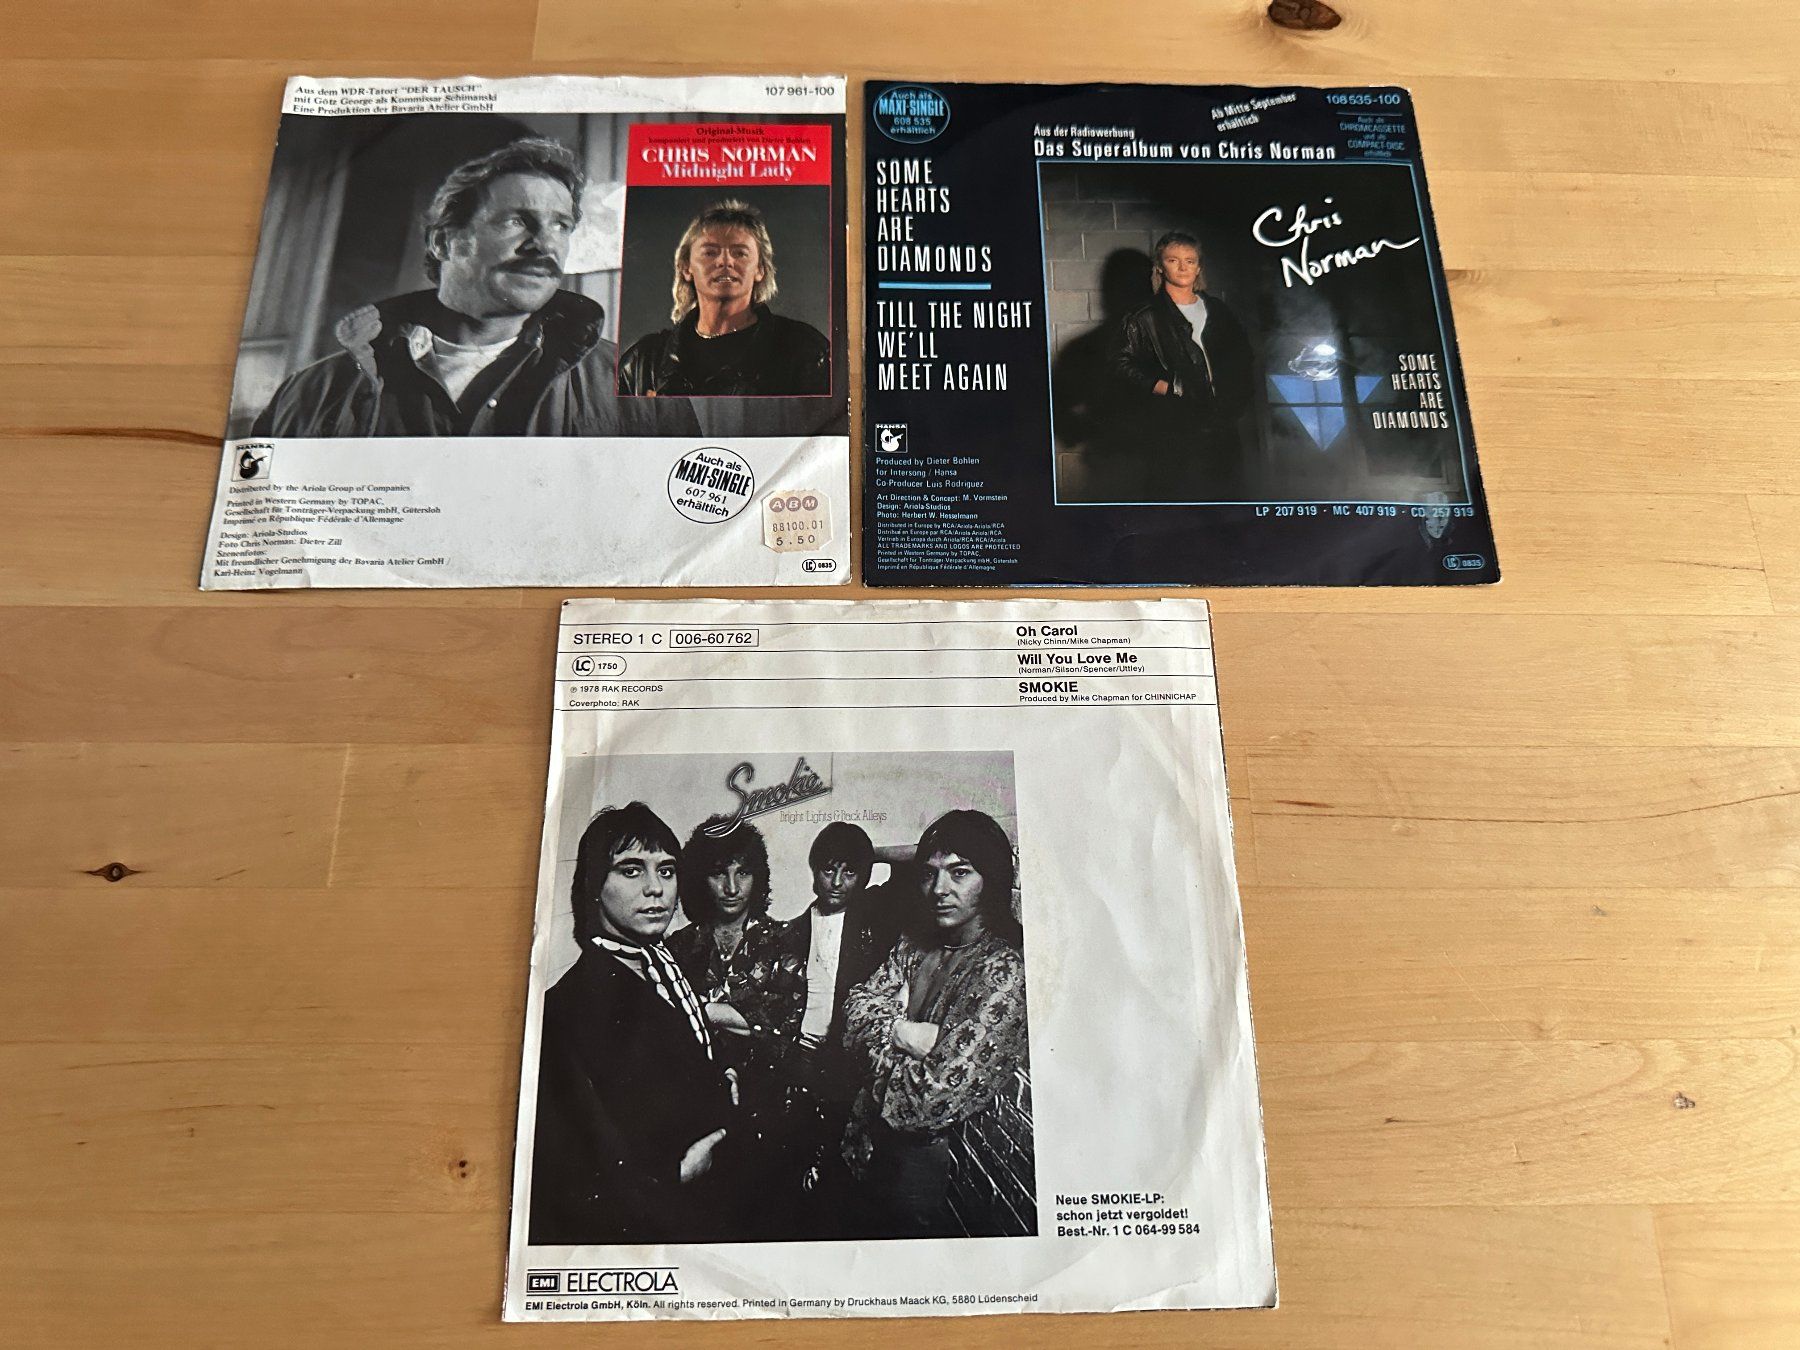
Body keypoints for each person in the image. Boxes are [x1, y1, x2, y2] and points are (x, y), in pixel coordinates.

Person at [254, 137, 698, 439]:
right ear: (444, 241)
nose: (544, 244)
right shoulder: (309, 393)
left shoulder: (639, 383)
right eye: (516, 220)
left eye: (561, 226)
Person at [527, 803, 735, 1245]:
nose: (655, 889)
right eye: (631, 870)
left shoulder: (667, 965)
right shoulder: (566, 1006)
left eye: (666, 871)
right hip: (654, 1228)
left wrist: (722, 1073)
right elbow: (571, 1165)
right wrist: (675, 1174)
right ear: (594, 886)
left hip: (716, 1211)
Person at [840, 810, 1031, 1238]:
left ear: (992, 879)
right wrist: (902, 1032)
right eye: (929, 874)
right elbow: (854, 1008)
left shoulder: (1002, 973)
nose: (939, 889)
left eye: (960, 873)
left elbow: (926, 1101)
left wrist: (876, 1031)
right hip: (863, 1149)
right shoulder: (914, 943)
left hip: (921, 1188)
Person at [617, 198, 830, 397]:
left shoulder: (805, 351)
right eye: (710, 252)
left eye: (740, 253)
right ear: (686, 268)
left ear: (760, 269)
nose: (725, 261)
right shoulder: (643, 361)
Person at [1110, 229, 1254, 500]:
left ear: (1198, 267)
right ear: (1160, 267)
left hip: (1222, 426)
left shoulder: (1218, 310)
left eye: (1190, 260)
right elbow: (1119, 364)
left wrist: (1235, 403)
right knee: (1177, 502)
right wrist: (1165, 387)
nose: (1183, 267)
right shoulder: (1143, 316)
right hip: (1172, 427)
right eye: (1173, 260)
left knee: (1226, 502)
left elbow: (1243, 359)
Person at [667, 816, 806, 1069]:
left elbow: (782, 1022)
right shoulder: (680, 945)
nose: (731, 888)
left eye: (743, 872)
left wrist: (699, 1009)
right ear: (700, 878)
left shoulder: (783, 940)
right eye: (718, 873)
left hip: (767, 1084)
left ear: (757, 877)